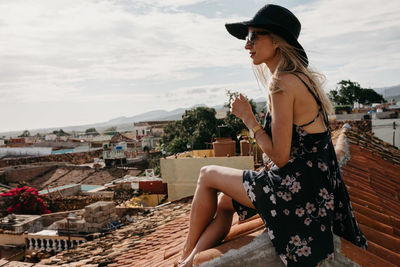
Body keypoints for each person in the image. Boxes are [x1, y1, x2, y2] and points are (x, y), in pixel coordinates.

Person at [178, 4, 367, 267]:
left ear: (276, 41)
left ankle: (183, 255)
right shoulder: (300, 77)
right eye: (247, 37)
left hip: (295, 191)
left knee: (206, 174)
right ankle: (188, 261)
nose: (247, 44)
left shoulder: (281, 83)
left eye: (254, 36)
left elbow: (280, 156)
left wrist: (248, 119)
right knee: (224, 203)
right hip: (314, 188)